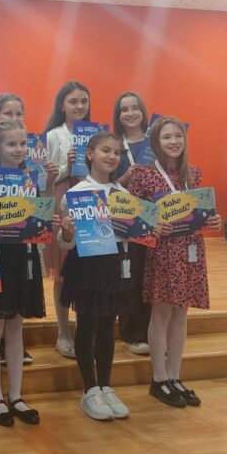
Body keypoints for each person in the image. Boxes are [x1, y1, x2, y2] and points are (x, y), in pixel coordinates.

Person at [126, 117, 223, 408]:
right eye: (167, 137)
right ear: (156, 142)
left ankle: (174, 376)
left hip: (191, 250)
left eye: (177, 136)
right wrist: (152, 226)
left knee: (181, 314)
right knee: (161, 313)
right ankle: (158, 379)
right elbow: (133, 217)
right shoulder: (143, 175)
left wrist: (215, 220)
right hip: (163, 252)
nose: (173, 141)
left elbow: (201, 212)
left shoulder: (192, 173)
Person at [0, 119, 59, 427]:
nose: (18, 149)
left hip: (23, 259)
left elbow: (36, 223)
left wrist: (47, 221)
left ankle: (17, 395)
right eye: (11, 144)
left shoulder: (31, 181)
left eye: (22, 144)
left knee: (17, 326)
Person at [57, 131, 133, 421]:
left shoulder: (123, 195)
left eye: (117, 152)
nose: (112, 156)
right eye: (105, 150)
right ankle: (89, 389)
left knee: (107, 326)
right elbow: (65, 242)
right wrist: (67, 232)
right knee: (87, 324)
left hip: (114, 264)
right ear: (90, 154)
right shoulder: (77, 193)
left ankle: (106, 385)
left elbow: (130, 235)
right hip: (87, 265)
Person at [43, 80, 92, 360]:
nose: (79, 106)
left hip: (90, 200)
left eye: (84, 101)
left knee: (87, 269)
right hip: (63, 199)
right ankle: (63, 332)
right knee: (62, 272)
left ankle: (85, 331)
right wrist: (69, 166)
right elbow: (45, 180)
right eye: (73, 101)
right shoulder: (53, 136)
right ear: (62, 105)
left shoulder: (95, 134)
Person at [112, 91, 152, 356]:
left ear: (142, 111)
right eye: (124, 109)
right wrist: (124, 178)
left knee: (152, 275)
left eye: (134, 108)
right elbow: (104, 181)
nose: (130, 113)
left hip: (155, 218)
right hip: (126, 219)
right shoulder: (114, 144)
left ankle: (153, 331)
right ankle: (132, 333)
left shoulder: (155, 141)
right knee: (130, 275)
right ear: (118, 115)